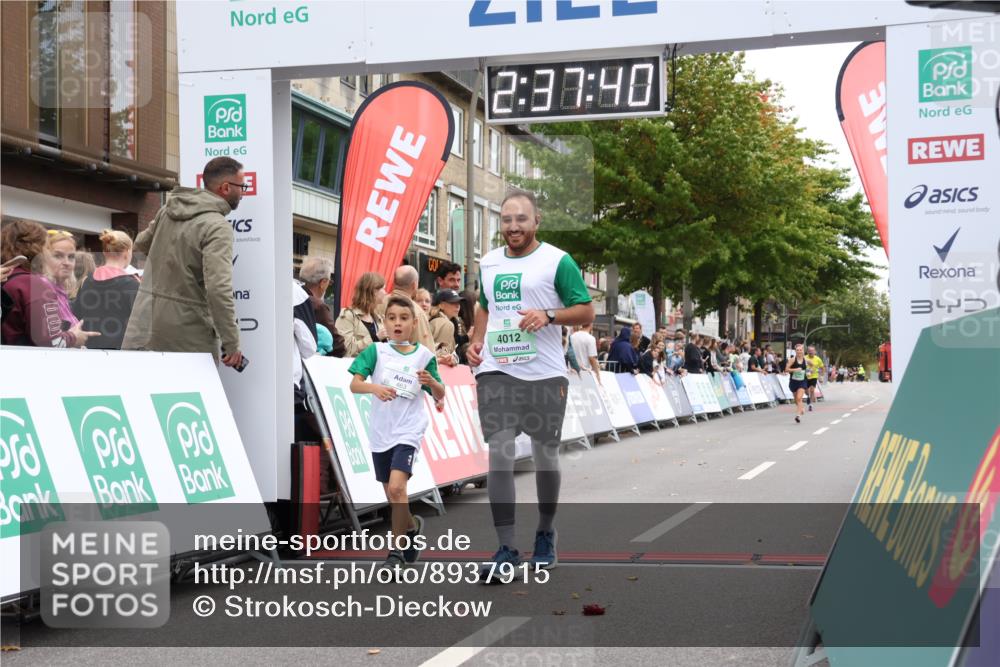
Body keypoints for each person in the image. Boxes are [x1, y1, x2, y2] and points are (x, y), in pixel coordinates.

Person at [466, 189, 594, 581]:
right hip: (497, 371)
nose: (513, 226)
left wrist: (549, 315)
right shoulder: (488, 262)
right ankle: (506, 547)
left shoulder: (558, 261)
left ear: (536, 221)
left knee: (544, 457)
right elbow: (485, 305)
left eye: (521, 219)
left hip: (544, 373)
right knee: (500, 453)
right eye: (506, 219)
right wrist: (477, 339)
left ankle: (544, 532)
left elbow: (586, 309)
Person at [349, 295, 445, 571]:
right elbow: (355, 385)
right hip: (381, 431)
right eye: (391, 318)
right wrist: (374, 388)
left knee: (397, 487)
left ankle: (396, 552)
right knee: (392, 496)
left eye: (403, 319)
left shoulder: (424, 356)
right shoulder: (375, 352)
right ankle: (412, 527)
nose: (397, 324)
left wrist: (432, 383)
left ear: (414, 324)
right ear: (384, 322)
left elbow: (441, 393)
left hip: (409, 429)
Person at [122, 156, 244, 367]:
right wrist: (231, 342)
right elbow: (218, 289)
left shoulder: (166, 211)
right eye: (242, 186)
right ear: (225, 187)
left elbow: (140, 243)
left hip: (144, 323)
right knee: (191, 398)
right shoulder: (217, 226)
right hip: (187, 333)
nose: (244, 192)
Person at [1, 219, 97, 348]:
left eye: (71, 257)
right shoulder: (33, 284)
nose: (66, 262)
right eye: (47, 247)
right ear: (37, 249)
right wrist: (74, 337)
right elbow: (51, 342)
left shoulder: (7, 277)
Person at [72, 229, 140, 350]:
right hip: (122, 356)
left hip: (90, 354)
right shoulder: (133, 285)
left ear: (104, 252)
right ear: (126, 252)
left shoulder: (86, 282)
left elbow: (76, 317)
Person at [298, 256, 346, 357]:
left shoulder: (293, 297)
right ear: (323, 283)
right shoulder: (318, 306)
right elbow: (338, 344)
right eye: (329, 281)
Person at [382, 265, 436, 352]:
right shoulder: (416, 311)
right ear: (414, 285)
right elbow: (425, 351)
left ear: (394, 283)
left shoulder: (378, 303)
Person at [335, 271, 386, 358]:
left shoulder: (378, 318)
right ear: (374, 291)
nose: (386, 292)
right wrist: (375, 338)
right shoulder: (348, 316)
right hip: (355, 368)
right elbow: (346, 350)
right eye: (384, 289)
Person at [42, 229, 80, 329]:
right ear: (44, 258)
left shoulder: (60, 290)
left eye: (71, 257)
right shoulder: (43, 290)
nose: (67, 262)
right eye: (58, 256)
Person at [428, 288, 462, 364]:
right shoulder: (446, 324)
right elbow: (443, 357)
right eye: (452, 302)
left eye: (458, 302)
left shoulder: (436, 320)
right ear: (441, 305)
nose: (457, 306)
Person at [786, 344, 809, 423]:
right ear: (795, 351)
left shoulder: (806, 360)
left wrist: (810, 371)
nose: (799, 351)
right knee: (796, 400)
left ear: (803, 351)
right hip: (793, 382)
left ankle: (798, 416)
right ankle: (801, 408)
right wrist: (795, 369)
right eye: (797, 350)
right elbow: (786, 369)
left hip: (802, 381)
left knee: (799, 398)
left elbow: (811, 367)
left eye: (800, 350)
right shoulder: (792, 360)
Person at [804, 345, 825, 411]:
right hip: (805, 376)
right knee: (806, 391)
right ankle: (808, 396)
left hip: (814, 376)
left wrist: (821, 376)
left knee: (812, 390)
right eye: (809, 351)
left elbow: (822, 368)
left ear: (815, 351)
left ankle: (810, 404)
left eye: (812, 351)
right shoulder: (804, 358)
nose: (811, 352)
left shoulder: (818, 359)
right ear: (807, 351)